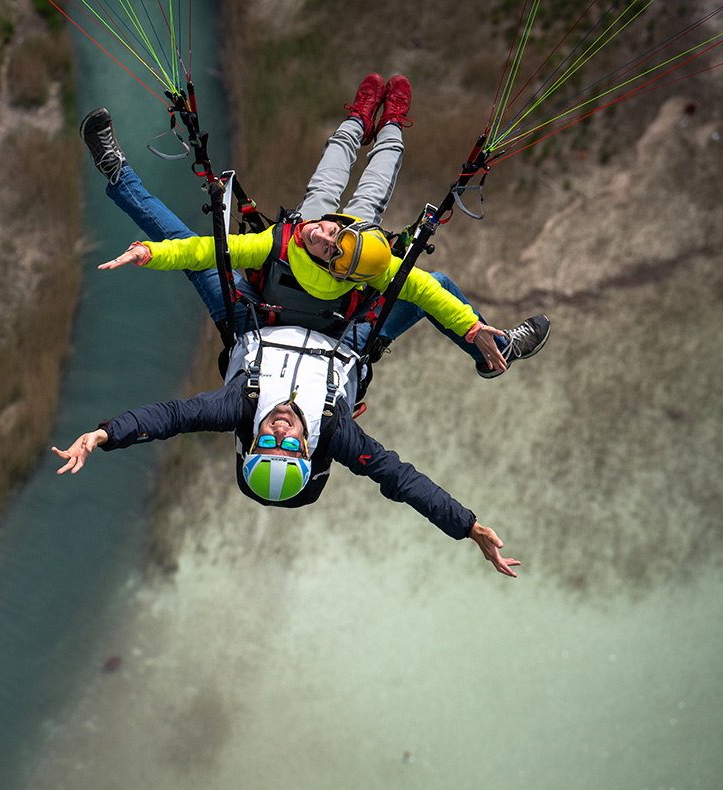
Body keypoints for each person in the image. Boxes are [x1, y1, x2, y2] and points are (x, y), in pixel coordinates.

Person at [52, 75, 528, 577]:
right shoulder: (336, 433)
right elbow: (401, 480)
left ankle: (116, 172)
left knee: (191, 252)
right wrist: (468, 527)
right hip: (345, 332)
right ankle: (494, 351)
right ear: (307, 450)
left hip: (254, 315)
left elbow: (170, 417)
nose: (279, 430)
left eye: (266, 443)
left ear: (251, 444)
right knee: (439, 287)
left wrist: (103, 435)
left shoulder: (238, 408)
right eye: (289, 445)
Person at [82, 73, 550, 378]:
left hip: (252, 322)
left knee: (186, 244)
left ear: (337, 266)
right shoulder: (329, 246)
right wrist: (471, 328)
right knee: (374, 197)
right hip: (337, 338)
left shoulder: (280, 243)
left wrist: (151, 253)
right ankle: (378, 122)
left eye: (327, 242)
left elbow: (204, 251)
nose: (321, 231)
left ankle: (117, 174)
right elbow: (428, 290)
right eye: (333, 230)